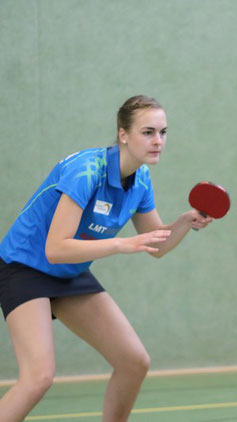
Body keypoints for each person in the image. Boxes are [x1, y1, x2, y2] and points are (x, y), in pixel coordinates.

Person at [0, 95, 213, 421]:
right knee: (38, 378)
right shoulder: (85, 171)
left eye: (163, 132)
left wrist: (185, 221)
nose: (158, 141)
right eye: (148, 132)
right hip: (24, 267)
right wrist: (121, 244)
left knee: (134, 361)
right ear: (123, 134)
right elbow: (55, 248)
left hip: (69, 272)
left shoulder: (140, 180)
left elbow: (155, 244)